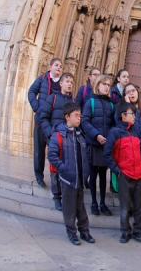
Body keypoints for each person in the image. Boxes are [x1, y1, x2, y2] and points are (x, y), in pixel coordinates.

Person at [47, 102, 95, 246]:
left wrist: (85, 172)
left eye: (80, 115)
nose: (79, 118)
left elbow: (84, 155)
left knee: (81, 207)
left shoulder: (80, 135)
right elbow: (52, 155)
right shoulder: (59, 135)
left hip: (79, 177)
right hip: (68, 179)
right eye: (76, 115)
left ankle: (84, 231)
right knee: (69, 208)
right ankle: (72, 232)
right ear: (67, 117)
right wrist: (64, 169)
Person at [104, 102, 141, 244]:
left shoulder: (136, 132)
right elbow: (107, 154)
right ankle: (125, 231)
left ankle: (138, 231)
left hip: (139, 174)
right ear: (123, 116)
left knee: (139, 206)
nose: (134, 117)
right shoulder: (115, 132)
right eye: (131, 114)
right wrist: (117, 170)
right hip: (125, 175)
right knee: (125, 206)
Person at [36, 72, 76, 210]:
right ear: (61, 83)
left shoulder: (74, 102)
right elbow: (43, 117)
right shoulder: (52, 98)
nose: (70, 84)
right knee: (55, 169)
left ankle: (66, 196)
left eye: (71, 82)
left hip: (69, 141)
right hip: (55, 138)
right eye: (67, 81)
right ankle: (57, 197)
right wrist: (50, 134)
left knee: (67, 168)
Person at [81, 74, 114, 216]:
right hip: (94, 143)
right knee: (93, 174)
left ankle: (103, 203)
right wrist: (96, 135)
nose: (107, 87)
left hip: (105, 144)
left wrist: (109, 138)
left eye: (108, 85)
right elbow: (85, 121)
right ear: (98, 85)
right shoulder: (90, 102)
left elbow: (113, 124)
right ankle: (94, 202)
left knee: (103, 175)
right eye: (104, 84)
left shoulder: (111, 104)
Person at [28, 58, 62, 187]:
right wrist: (37, 108)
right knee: (39, 151)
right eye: (56, 65)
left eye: (61, 66)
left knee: (55, 151)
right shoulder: (42, 79)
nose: (59, 68)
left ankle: (56, 177)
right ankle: (39, 176)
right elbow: (31, 92)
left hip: (54, 123)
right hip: (41, 121)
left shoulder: (62, 83)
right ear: (50, 67)